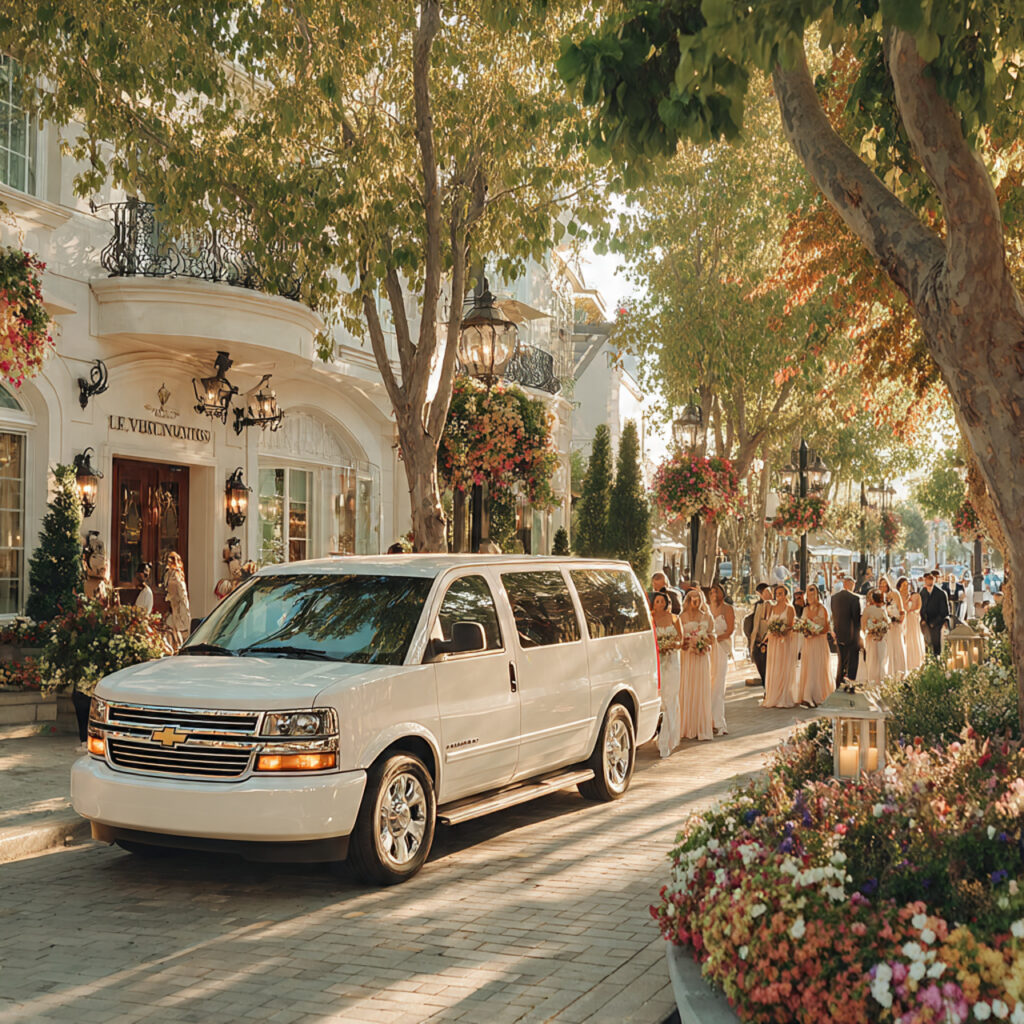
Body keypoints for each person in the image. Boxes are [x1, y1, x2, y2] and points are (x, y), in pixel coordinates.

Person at [679, 588, 714, 741]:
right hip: (687, 656)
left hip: (701, 657)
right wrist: (686, 643)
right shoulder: (681, 617)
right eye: (692, 598)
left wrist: (703, 643)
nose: (695, 601)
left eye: (698, 598)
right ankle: (686, 725)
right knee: (687, 686)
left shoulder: (706, 616)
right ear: (688, 600)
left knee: (700, 688)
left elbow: (712, 636)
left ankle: (700, 725)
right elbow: (679, 637)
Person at [652, 592, 683, 758]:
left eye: (662, 601)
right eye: (657, 601)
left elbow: (681, 640)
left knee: (671, 697)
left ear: (666, 603)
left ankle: (668, 738)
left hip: (672, 661)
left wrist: (672, 645)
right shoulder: (650, 619)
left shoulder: (674, 618)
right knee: (661, 699)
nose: (659, 603)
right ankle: (657, 733)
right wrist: (659, 647)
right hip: (657, 663)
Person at [796, 584, 832, 706]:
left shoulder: (822, 609)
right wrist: (806, 631)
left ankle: (817, 695)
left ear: (817, 594)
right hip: (808, 643)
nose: (811, 596)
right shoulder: (805, 610)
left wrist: (816, 631)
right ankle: (807, 695)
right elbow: (802, 625)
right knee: (809, 667)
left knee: (817, 667)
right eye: (809, 593)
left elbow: (826, 628)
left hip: (819, 642)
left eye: (813, 593)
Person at [763, 584, 797, 708]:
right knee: (774, 667)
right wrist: (773, 630)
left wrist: (782, 631)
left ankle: (783, 695)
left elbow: (791, 626)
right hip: (773, 642)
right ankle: (773, 695)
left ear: (785, 595)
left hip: (784, 641)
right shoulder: (772, 608)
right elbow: (769, 623)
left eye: (781, 593)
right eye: (777, 594)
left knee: (783, 666)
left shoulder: (790, 609)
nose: (778, 596)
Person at [708, 583, 734, 735]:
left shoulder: (728, 609)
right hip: (708, 650)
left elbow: (730, 630)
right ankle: (707, 720)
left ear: (722, 593)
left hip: (721, 648)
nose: (714, 594)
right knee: (708, 684)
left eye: (716, 591)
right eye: (712, 592)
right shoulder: (707, 609)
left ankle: (718, 721)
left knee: (718, 684)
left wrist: (716, 639)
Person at [831, 576, 862, 687]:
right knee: (852, 661)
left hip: (839, 634)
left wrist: (836, 631)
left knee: (841, 660)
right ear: (849, 584)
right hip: (852, 635)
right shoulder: (854, 598)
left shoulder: (834, 598)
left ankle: (839, 682)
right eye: (853, 584)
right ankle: (850, 682)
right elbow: (856, 620)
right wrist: (858, 637)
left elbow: (834, 616)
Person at [879, 574, 907, 678]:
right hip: (886, 625)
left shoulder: (895, 593)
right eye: (881, 586)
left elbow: (902, 610)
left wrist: (899, 620)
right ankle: (888, 672)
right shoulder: (880, 596)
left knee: (897, 646)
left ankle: (900, 670)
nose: (883, 587)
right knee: (887, 649)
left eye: (885, 585)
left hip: (896, 624)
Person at [163, 551, 191, 650]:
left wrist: (185, 613)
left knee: (180, 636)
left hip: (179, 610)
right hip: (172, 608)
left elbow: (183, 595)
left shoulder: (178, 575)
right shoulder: (167, 574)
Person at [919, 572, 950, 657]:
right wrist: (923, 619)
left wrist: (934, 623)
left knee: (936, 644)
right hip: (925, 623)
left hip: (937, 623)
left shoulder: (940, 593)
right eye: (927, 580)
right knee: (925, 643)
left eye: (931, 579)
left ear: (934, 580)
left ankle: (937, 658)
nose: (928, 581)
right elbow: (921, 607)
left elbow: (944, 611)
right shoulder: (922, 592)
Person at [863, 589, 889, 685]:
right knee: (881, 659)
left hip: (871, 638)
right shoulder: (883, 610)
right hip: (881, 638)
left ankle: (871, 680)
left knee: (871, 659)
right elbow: (887, 624)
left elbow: (863, 626)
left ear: (872, 599)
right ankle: (880, 680)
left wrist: (870, 631)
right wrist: (881, 631)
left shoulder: (867, 610)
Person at [748, 582, 772, 688]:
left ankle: (768, 689)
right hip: (758, 641)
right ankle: (765, 685)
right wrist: (752, 644)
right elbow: (754, 625)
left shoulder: (776, 605)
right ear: (760, 595)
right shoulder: (758, 606)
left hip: (771, 641)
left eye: (770, 592)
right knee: (761, 667)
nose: (769, 595)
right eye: (766, 592)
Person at [900, 577, 926, 672]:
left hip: (913, 621)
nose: (906, 587)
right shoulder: (898, 596)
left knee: (913, 639)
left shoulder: (915, 595)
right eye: (904, 585)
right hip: (903, 620)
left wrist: (912, 610)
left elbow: (918, 608)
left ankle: (915, 662)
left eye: (907, 585)